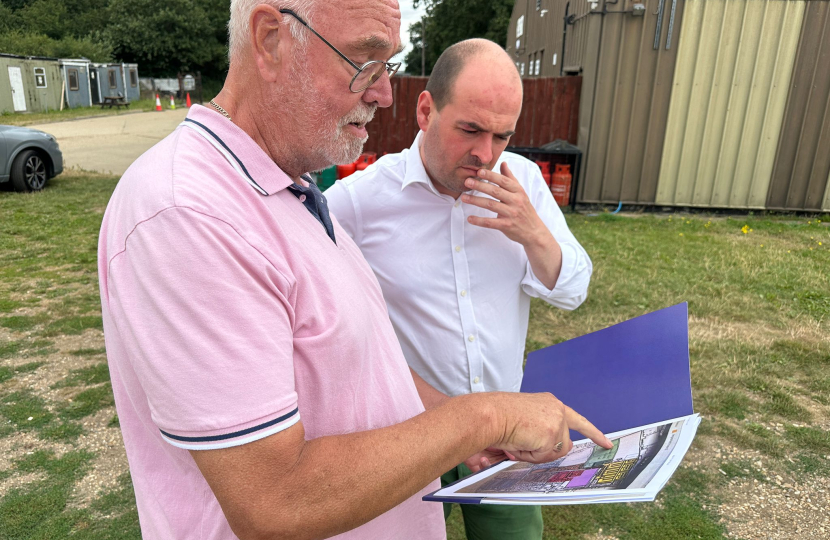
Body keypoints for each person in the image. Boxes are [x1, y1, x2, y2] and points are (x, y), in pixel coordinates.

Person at [98, 1, 611, 538]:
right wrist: (485, 419)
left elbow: (365, 363)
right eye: (364, 59)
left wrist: (461, 418)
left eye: (386, 65)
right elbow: (274, 501)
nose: (383, 93)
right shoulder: (190, 214)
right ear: (272, 38)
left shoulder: (287, 188)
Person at [324, 39, 594, 540]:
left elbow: (573, 291)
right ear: (426, 110)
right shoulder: (360, 202)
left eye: (502, 136)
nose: (484, 154)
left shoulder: (526, 184)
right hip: (410, 430)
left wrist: (532, 231)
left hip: (507, 432)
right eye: (469, 129)